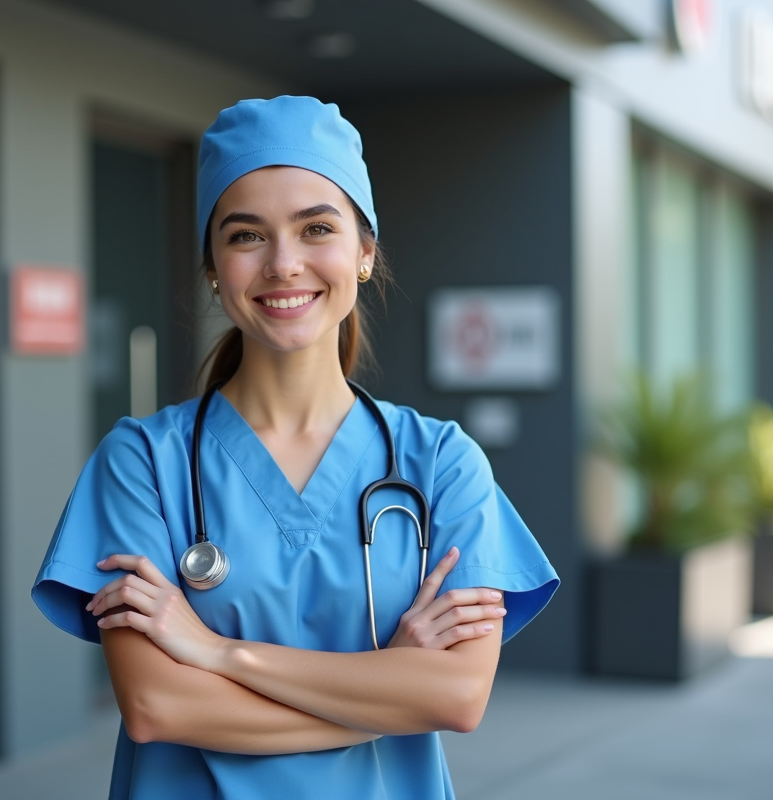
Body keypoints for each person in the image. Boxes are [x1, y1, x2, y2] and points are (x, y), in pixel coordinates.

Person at [32, 95, 559, 800]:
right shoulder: (142, 465)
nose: (284, 264)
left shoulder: (440, 463)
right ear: (214, 265)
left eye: (316, 228)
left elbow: (456, 695)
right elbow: (160, 707)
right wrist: (385, 687)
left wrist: (220, 653)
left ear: (364, 252)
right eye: (246, 236)